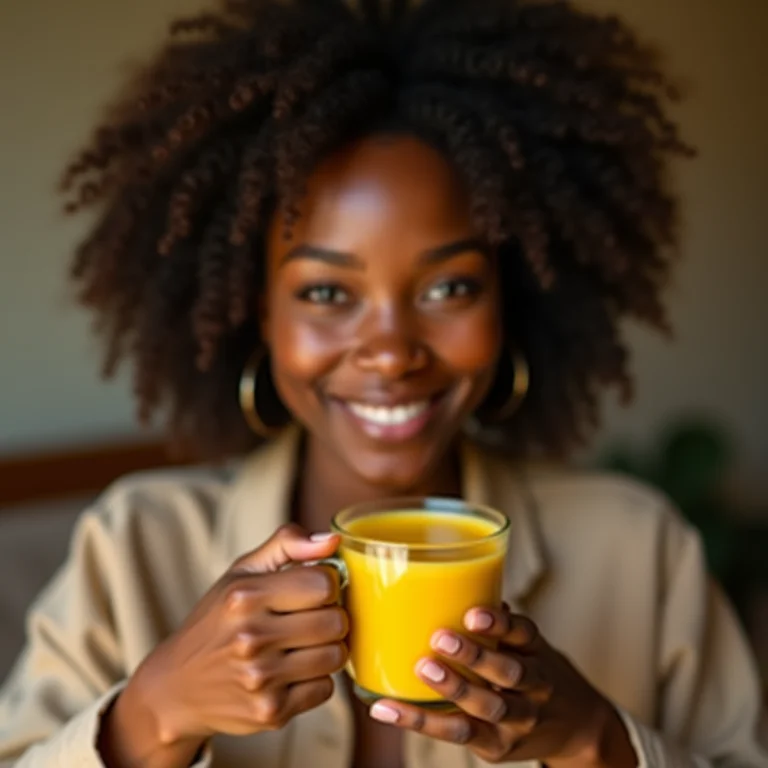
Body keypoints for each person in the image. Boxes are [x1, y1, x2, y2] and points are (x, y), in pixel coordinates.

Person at [1, 0, 766, 766]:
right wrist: (153, 716)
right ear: (256, 314)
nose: (392, 352)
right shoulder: (134, 546)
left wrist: (593, 739)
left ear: (512, 301)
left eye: (448, 289)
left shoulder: (639, 550)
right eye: (327, 294)